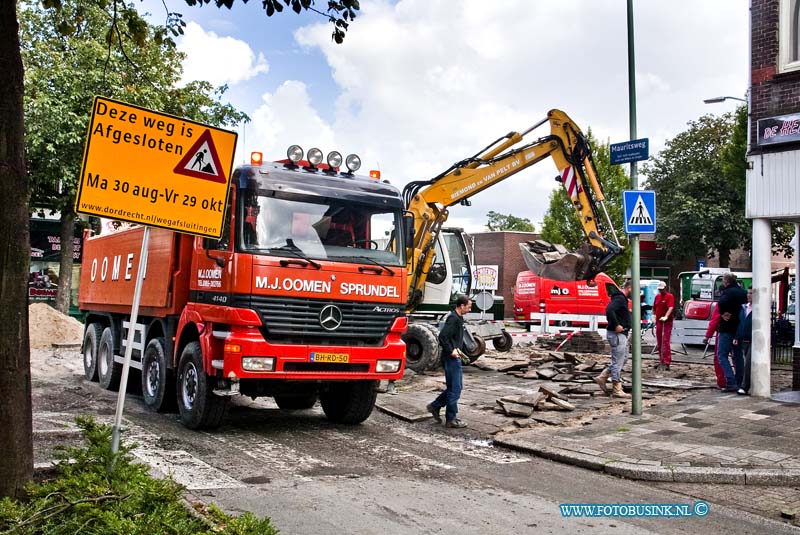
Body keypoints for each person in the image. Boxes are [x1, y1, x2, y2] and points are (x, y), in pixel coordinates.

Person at [427, 295, 473, 428]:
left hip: (454, 357)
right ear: (462, 306)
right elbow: (443, 336)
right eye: (468, 307)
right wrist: (451, 350)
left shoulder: (458, 318)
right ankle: (451, 419)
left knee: (454, 387)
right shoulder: (453, 319)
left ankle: (435, 406)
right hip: (451, 358)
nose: (469, 309)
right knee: (456, 388)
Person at [595, 280, 632, 399]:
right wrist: (616, 324)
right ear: (630, 288)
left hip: (621, 334)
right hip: (617, 335)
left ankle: (603, 376)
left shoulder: (621, 299)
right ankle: (617, 388)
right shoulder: (620, 299)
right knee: (618, 361)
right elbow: (609, 310)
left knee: (624, 358)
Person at [713, 273, 748, 392]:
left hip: (727, 327)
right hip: (739, 328)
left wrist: (723, 313)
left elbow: (721, 303)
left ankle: (730, 381)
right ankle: (739, 381)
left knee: (722, 355)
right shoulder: (742, 292)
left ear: (726, 282)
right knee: (738, 356)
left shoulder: (727, 292)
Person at [703, 305, 728, 389]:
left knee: (719, 357)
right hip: (737, 333)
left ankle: (722, 382)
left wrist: (708, 335)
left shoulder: (722, 303)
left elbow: (714, 321)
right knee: (738, 358)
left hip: (723, 332)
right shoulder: (742, 299)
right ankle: (740, 381)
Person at [734, 288, 753, 395]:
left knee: (748, 363)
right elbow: (740, 323)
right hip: (743, 339)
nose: (748, 295)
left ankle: (744, 386)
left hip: (753, 339)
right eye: (748, 293)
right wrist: (736, 336)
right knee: (742, 361)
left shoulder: (757, 309)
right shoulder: (743, 308)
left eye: (751, 293)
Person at [652, 281, 675, 370]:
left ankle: (667, 361)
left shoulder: (669, 296)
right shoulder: (657, 297)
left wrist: (666, 316)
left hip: (666, 322)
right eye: (659, 289)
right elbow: (654, 307)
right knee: (659, 341)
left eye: (662, 289)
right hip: (659, 322)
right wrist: (653, 315)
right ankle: (661, 360)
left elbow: (670, 307)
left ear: (665, 288)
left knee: (665, 341)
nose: (661, 291)